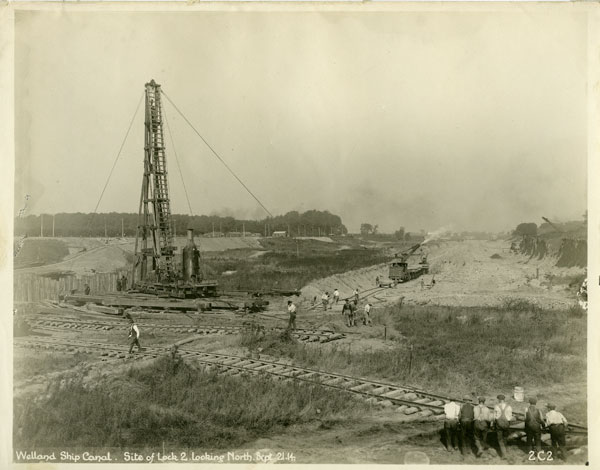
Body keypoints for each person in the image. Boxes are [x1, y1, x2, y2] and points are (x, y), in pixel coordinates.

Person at [493, 394, 513, 459]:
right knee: (505, 438)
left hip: (499, 425)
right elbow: (510, 418)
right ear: (504, 400)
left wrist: (493, 424)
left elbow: (494, 417)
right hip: (506, 424)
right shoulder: (509, 407)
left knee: (500, 439)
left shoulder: (496, 407)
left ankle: (504, 454)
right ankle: (507, 451)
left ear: (499, 400)